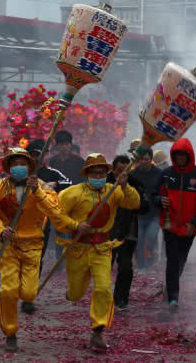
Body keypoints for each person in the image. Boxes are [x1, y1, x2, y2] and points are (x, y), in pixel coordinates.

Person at [0, 148, 88, 353]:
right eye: (14, 164)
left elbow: (55, 211)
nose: (18, 167)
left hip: (33, 245)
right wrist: (0, 229)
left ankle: (22, 302)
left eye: (22, 164)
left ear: (30, 167)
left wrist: (38, 192)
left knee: (29, 294)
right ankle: (10, 332)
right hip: (8, 245)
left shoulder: (41, 186)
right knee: (8, 289)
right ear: (9, 167)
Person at [57, 153, 140, 350]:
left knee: (103, 288)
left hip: (102, 248)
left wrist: (125, 186)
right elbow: (56, 215)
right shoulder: (72, 193)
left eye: (102, 172)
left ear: (107, 173)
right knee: (76, 293)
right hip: (78, 248)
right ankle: (71, 292)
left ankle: (98, 331)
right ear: (87, 174)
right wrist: (75, 225)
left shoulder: (114, 191)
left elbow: (134, 203)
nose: (98, 175)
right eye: (94, 172)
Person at [152, 138, 196, 312]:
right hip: (169, 225)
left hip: (189, 227)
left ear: (189, 156)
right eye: (177, 155)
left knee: (181, 259)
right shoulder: (165, 174)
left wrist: (195, 223)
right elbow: (153, 194)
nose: (180, 158)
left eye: (183, 155)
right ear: (173, 156)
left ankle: (170, 287)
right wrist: (158, 200)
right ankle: (173, 298)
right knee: (172, 260)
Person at [20, 139, 72, 314]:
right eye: (33, 154)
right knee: (18, 260)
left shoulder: (51, 172)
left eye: (39, 154)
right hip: (18, 223)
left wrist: (55, 185)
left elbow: (69, 184)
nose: (36, 158)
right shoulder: (18, 172)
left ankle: (29, 296)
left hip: (41, 224)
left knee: (36, 260)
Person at [108, 155, 148, 309]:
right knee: (104, 267)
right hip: (106, 231)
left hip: (128, 231)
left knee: (125, 267)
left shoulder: (135, 182)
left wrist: (132, 199)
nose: (121, 174)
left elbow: (145, 206)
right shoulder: (104, 182)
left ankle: (121, 297)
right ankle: (103, 297)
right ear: (113, 169)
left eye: (125, 170)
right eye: (119, 170)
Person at [131, 148, 163, 269]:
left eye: (147, 159)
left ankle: (150, 256)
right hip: (138, 213)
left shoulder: (159, 174)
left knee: (150, 236)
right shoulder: (133, 174)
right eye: (142, 159)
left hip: (154, 213)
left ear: (151, 160)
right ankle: (141, 265)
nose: (144, 162)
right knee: (139, 241)